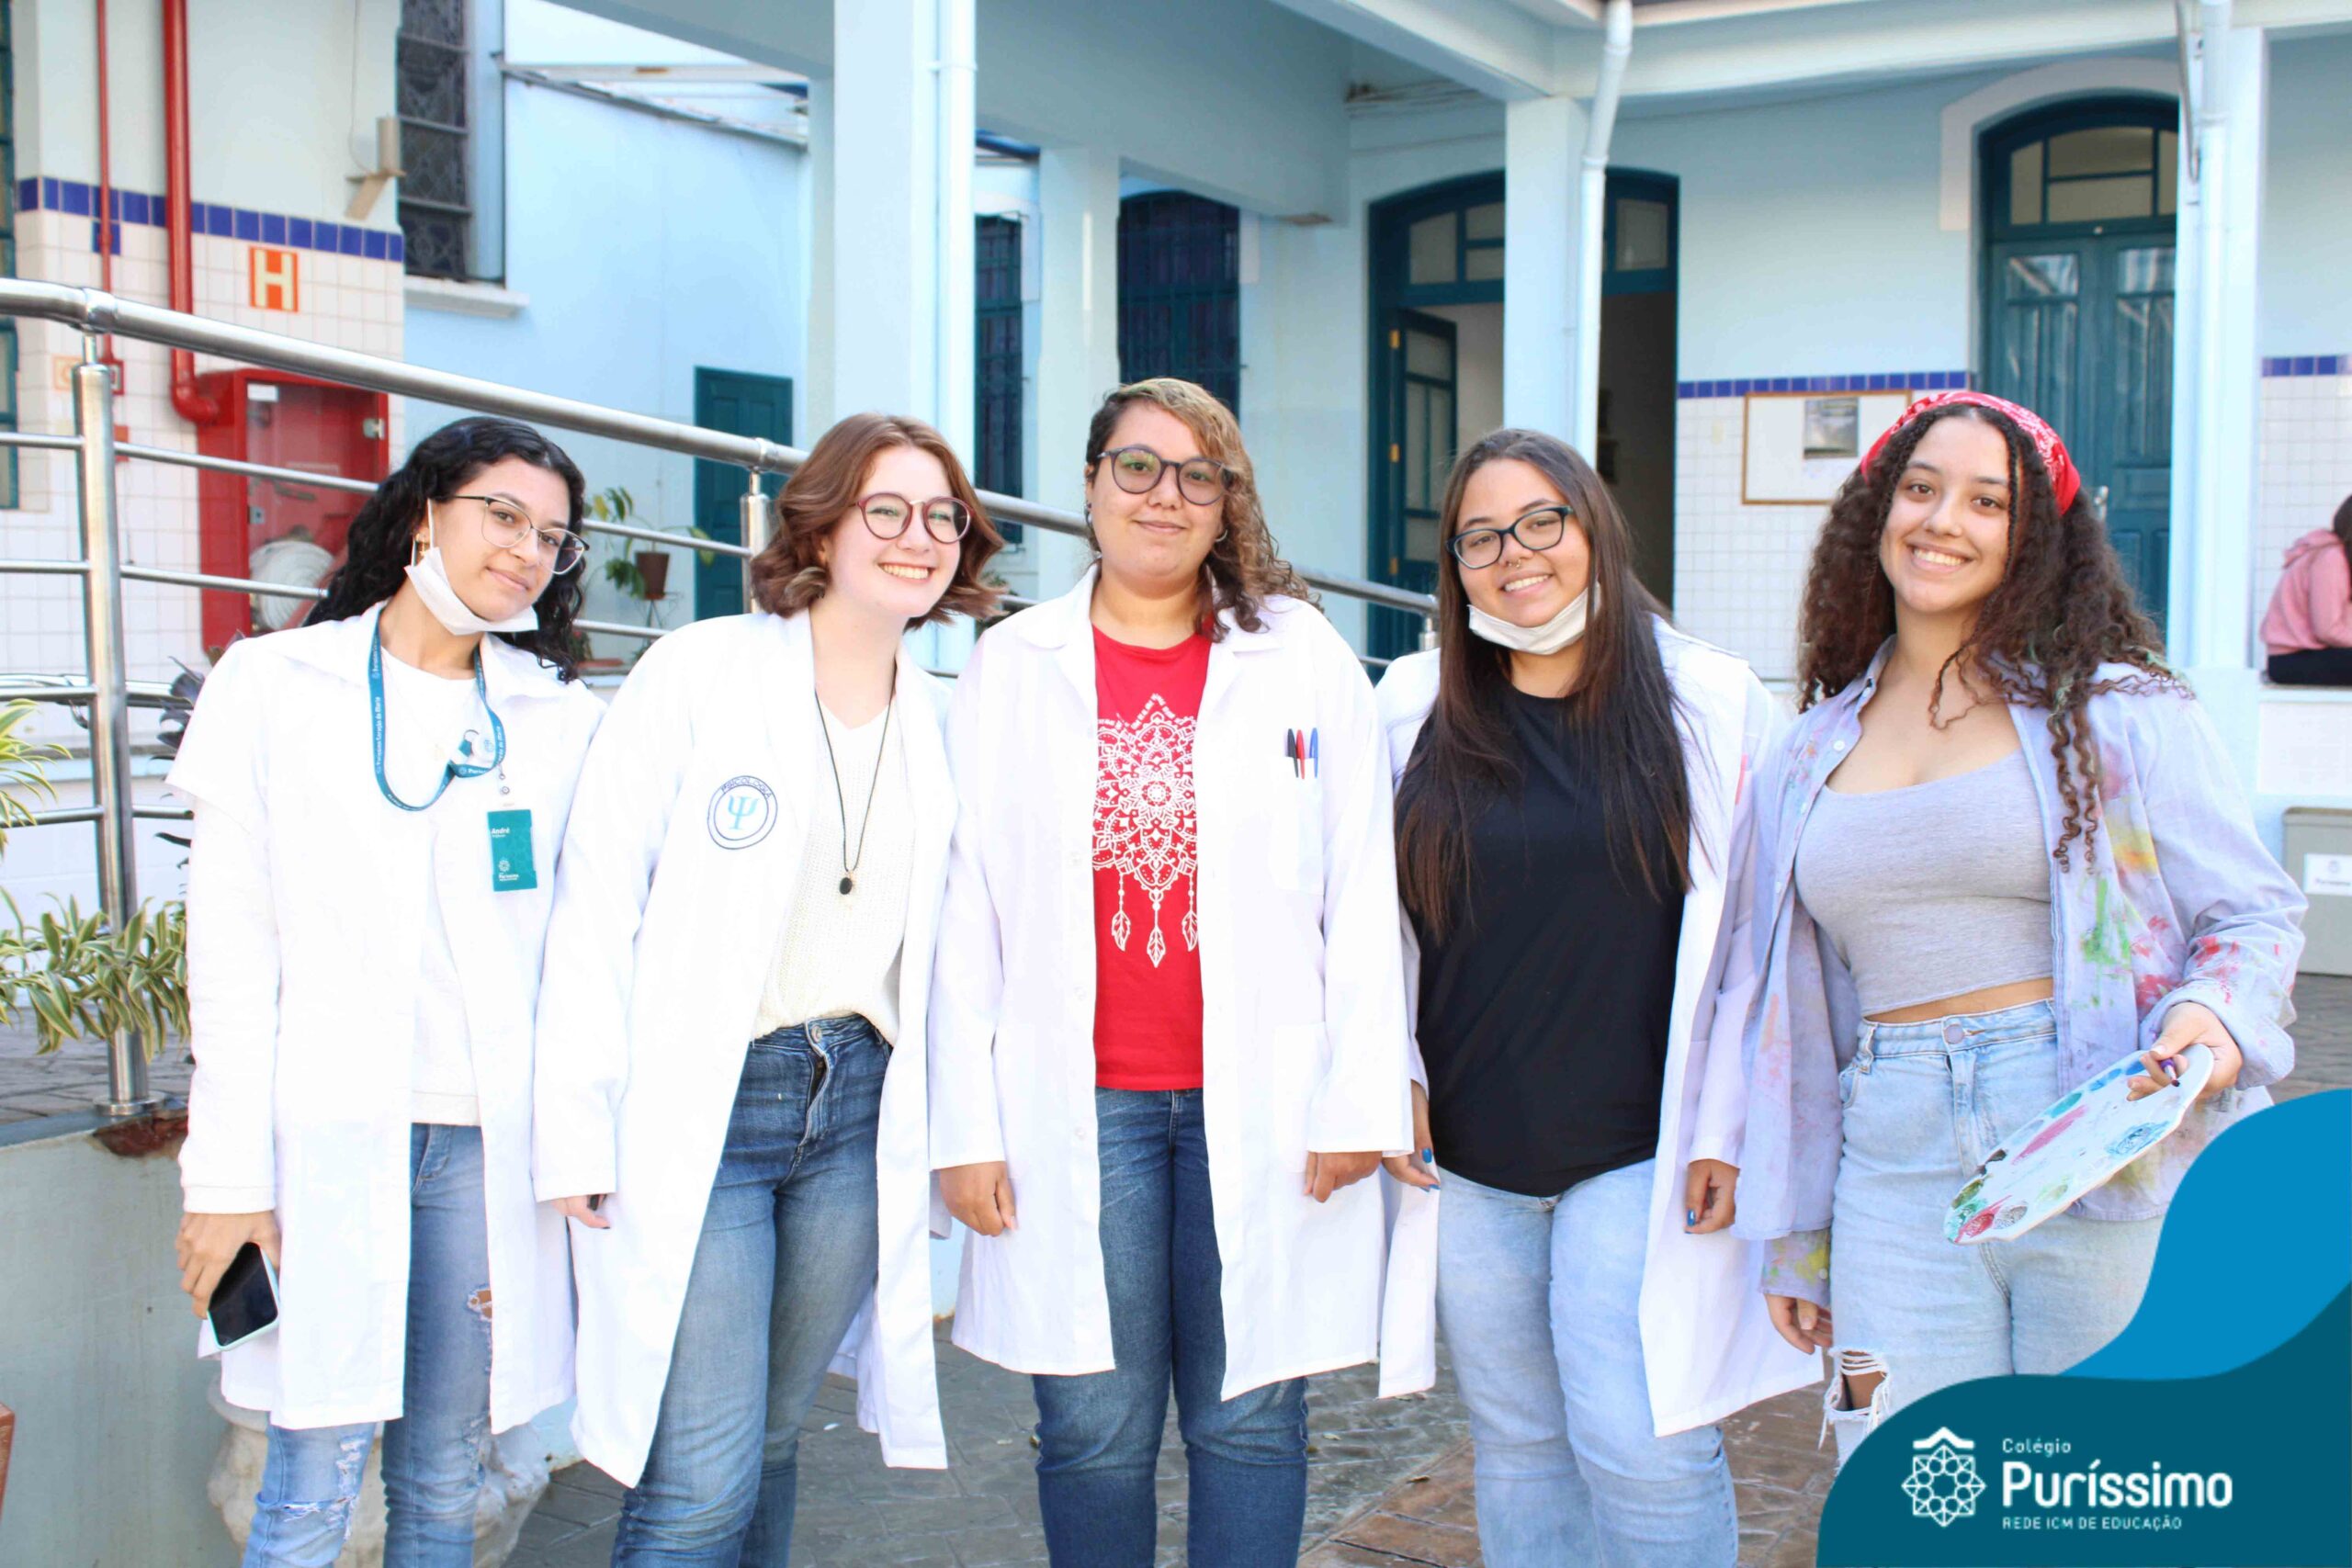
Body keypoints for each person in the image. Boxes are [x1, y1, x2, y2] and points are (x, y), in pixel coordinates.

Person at [1733, 390, 2305, 1461]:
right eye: (1919, 488)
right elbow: (1789, 1017)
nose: (1943, 520)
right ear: (1876, 514)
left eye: (1986, 501)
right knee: (1902, 1487)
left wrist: (2212, 1022)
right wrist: (1798, 1232)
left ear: (2033, 538)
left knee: (2106, 1494)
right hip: (1888, 1159)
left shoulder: (2120, 709)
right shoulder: (1806, 748)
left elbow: (2251, 913)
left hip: (2101, 1132)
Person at [929, 378, 1413, 1566]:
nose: (1166, 495)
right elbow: (964, 906)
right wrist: (965, 1125)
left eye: (1200, 474)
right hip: (1075, 1103)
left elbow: (1363, 886)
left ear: (1228, 501)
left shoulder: (1300, 656)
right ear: (1091, 485)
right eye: (1137, 466)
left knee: (1250, 1420)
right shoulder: (1012, 663)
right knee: (1091, 1427)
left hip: (1268, 1102)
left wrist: (1359, 1096)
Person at [532, 413, 1000, 1563]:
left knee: (776, 1441)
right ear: (822, 527)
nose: (917, 536)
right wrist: (574, 1123)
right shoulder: (702, 670)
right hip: (714, 1103)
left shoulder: (945, 713)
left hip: (856, 1110)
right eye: (884, 510)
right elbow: (597, 901)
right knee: (699, 1475)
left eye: (941, 516)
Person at [1374, 428, 1815, 1566]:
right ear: (1454, 566)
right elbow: (1363, 919)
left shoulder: (1706, 700)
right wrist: (1389, 1073)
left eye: (1540, 522)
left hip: (1638, 1149)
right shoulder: (1412, 704)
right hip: (1469, 1156)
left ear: (1593, 529)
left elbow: (1766, 935)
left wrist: (1729, 1126)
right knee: (1519, 1442)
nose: (1513, 554)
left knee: (1639, 1439)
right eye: (1479, 537)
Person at [170, 417, 604, 1566]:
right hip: (316, 1137)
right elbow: (231, 952)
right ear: (421, 514)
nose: (526, 550)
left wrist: (582, 1141)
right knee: (308, 1482)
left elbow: (588, 954)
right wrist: (226, 1181)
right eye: (502, 516)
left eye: (551, 536)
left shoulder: (560, 720)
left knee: (445, 1481)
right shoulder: (274, 684)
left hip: (483, 1148)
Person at [2259, 494, 2352, 685]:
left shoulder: (2337, 556)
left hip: (2316, 654)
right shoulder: (2331, 559)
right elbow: (2328, 630)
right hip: (2294, 660)